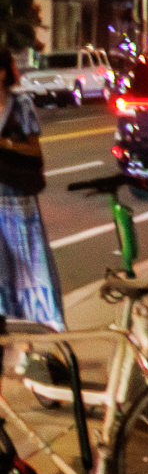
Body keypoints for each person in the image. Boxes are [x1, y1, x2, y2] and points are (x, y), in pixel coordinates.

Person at [0, 44, 52, 334]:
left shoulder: (21, 105)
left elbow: (35, 153)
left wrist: (5, 143)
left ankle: (42, 338)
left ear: (3, 72)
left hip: (17, 202)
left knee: (29, 271)